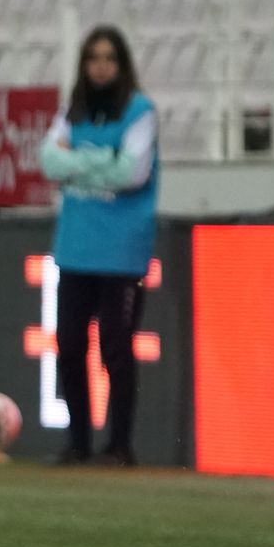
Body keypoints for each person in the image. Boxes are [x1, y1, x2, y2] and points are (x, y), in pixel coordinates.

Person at [38, 25, 158, 467]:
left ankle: (120, 445)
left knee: (115, 347)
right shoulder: (73, 110)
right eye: (93, 58)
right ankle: (78, 443)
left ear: (122, 65)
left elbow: (133, 172)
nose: (101, 67)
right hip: (76, 246)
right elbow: (48, 161)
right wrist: (103, 160)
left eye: (109, 58)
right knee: (69, 346)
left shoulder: (140, 111)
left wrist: (76, 162)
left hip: (122, 250)